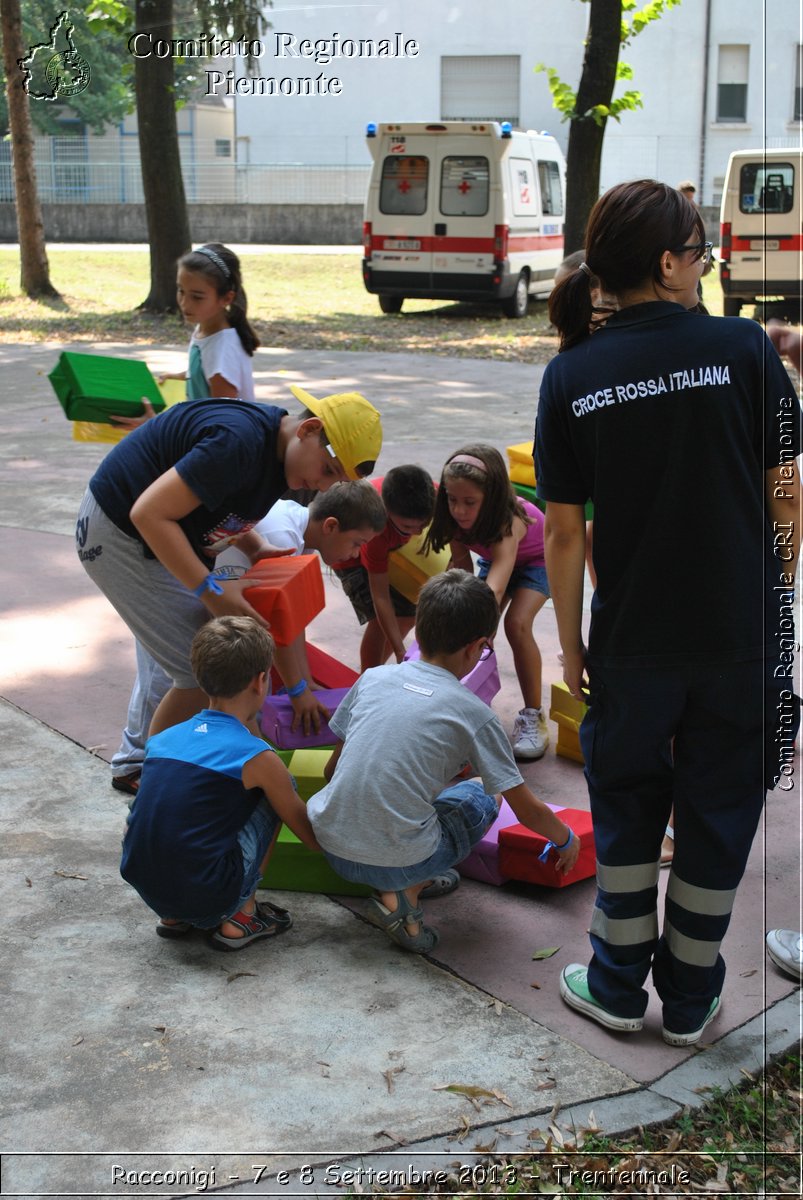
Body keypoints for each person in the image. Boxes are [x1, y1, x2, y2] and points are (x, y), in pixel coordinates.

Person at [535, 178, 801, 1046]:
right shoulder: (747, 351)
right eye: (700, 251)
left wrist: (570, 642)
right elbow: (787, 495)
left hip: (630, 641)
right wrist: (781, 594)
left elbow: (564, 533)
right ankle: (689, 998)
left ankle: (614, 985)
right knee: (720, 806)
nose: (705, 263)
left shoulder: (570, 374)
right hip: (737, 636)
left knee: (625, 802)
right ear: (667, 262)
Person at [76, 387, 383, 743]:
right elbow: (148, 513)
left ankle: (183, 766)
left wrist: (254, 548)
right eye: (327, 469)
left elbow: (229, 507)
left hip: (151, 535)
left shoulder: (281, 459)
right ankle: (151, 774)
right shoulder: (239, 444)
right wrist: (209, 590)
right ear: (308, 429)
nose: (323, 486)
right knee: (204, 673)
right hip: (118, 533)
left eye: (337, 480)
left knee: (212, 663)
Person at [306, 571, 580, 952]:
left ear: (418, 632)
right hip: (397, 859)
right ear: (477, 647)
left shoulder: (372, 678)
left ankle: (402, 878)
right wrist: (566, 840)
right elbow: (527, 809)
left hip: (331, 844)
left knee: (412, 799)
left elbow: (331, 771)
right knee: (483, 796)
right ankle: (406, 893)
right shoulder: (472, 712)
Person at [108, 243, 261, 792]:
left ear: (227, 298)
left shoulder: (222, 348)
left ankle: (144, 759)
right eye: (181, 293)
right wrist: (158, 422)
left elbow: (223, 432)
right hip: (193, 501)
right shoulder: (208, 337)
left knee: (172, 651)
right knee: (168, 649)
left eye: (197, 296)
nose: (184, 303)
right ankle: (143, 758)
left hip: (204, 502)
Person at [120, 616, 320, 950]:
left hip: (149, 891)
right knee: (273, 795)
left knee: (160, 804)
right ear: (261, 682)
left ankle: (173, 916)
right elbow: (309, 836)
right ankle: (242, 917)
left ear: (200, 677)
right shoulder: (257, 758)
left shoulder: (163, 739)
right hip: (210, 896)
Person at [220, 480, 389, 731]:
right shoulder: (283, 539)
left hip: (225, 601)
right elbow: (274, 624)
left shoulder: (301, 531)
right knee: (199, 687)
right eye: (357, 543)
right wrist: (296, 690)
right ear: (331, 526)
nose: (356, 554)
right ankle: (144, 757)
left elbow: (291, 619)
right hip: (193, 595)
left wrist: (305, 681)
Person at [424, 444, 551, 760]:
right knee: (478, 636)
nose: (460, 511)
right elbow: (462, 567)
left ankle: (533, 714)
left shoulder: (508, 521)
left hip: (538, 562)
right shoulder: (453, 519)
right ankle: (464, 704)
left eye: (470, 502)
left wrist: (465, 621)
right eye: (452, 500)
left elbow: (494, 589)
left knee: (515, 624)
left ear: (491, 497)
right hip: (496, 561)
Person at [332, 465, 437, 669]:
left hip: (394, 551)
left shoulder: (433, 495)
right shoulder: (376, 533)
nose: (417, 532)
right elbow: (380, 595)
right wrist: (400, 651)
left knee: (407, 614)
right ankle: (367, 679)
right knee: (380, 623)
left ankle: (378, 671)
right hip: (348, 555)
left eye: (423, 525)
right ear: (387, 512)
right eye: (408, 527)